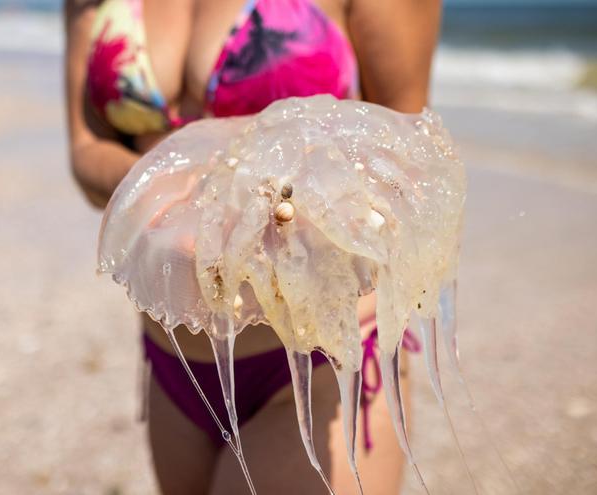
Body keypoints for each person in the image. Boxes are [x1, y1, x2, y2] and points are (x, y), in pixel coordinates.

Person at [63, 0, 440, 493]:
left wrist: (293, 200)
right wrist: (168, 184)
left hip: (323, 360)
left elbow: (408, 151)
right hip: (173, 359)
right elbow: (86, 149)